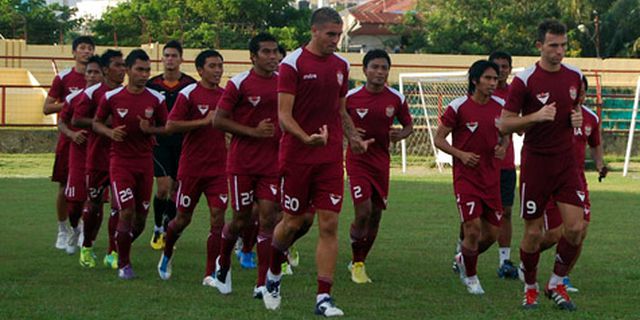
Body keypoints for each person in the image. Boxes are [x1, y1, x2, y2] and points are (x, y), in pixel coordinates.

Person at [261, 7, 371, 317]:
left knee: (329, 224)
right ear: (314, 31)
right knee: (293, 222)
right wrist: (305, 137)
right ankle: (272, 274)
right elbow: (284, 116)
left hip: (331, 158)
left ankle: (324, 297)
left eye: (339, 35)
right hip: (297, 156)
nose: (336, 40)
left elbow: (341, 110)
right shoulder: (292, 64)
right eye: (331, 35)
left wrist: (353, 138)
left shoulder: (340, 65)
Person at [499, 19, 586, 311]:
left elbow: (577, 107)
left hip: (566, 163)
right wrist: (534, 117)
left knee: (575, 228)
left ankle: (556, 281)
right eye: (553, 46)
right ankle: (530, 287)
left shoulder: (575, 75)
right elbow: (504, 123)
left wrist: (576, 118)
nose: (559, 51)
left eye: (563, 46)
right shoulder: (525, 80)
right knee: (534, 233)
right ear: (539, 46)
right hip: (536, 163)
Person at [211, 33, 281, 297]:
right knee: (240, 219)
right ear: (253, 56)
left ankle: (261, 283)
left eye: (275, 51)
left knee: (268, 219)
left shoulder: (284, 82)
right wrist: (252, 131)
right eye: (266, 52)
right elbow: (218, 120)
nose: (272, 56)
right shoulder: (239, 83)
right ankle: (224, 262)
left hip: (272, 164)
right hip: (242, 164)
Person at [527, 76, 607, 293]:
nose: (578, 95)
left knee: (579, 230)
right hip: (551, 178)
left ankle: (562, 278)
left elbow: (595, 144)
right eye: (575, 91)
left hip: (576, 180)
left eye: (582, 92)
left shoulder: (590, 118)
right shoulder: (554, 113)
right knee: (553, 234)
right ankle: (527, 258)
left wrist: (600, 164)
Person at [435, 60, 508, 295]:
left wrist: (503, 146)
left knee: (492, 235)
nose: (492, 83)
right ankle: (472, 277)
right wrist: (461, 155)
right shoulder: (458, 107)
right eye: (487, 78)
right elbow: (439, 139)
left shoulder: (501, 106)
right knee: (472, 228)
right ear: (475, 80)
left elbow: (506, 134)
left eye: (495, 79)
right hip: (466, 179)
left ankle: (462, 256)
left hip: (491, 178)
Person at [93, 49, 168, 279]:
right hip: (120, 162)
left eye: (147, 70)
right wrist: (109, 132)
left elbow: (167, 128)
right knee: (125, 210)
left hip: (145, 163)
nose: (144, 74)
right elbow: (96, 123)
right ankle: (124, 264)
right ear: (128, 70)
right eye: (139, 69)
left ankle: (118, 246)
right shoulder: (112, 97)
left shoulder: (156, 99)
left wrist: (150, 130)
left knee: (140, 220)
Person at [156, 50, 228, 287]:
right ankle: (167, 252)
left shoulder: (226, 95)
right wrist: (203, 121)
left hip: (219, 168)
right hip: (192, 168)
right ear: (200, 70)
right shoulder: (188, 94)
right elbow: (171, 125)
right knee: (182, 219)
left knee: (218, 218)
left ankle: (210, 273)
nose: (217, 70)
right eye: (212, 66)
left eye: (220, 66)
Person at [345, 49, 413, 284]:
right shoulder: (350, 97)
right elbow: (336, 121)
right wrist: (350, 133)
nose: (379, 72)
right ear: (364, 70)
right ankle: (357, 262)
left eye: (384, 68)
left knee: (375, 216)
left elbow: (408, 126)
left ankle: (359, 261)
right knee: (362, 212)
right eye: (374, 67)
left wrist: (399, 135)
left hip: (381, 163)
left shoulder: (396, 98)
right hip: (357, 161)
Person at [72, 49, 127, 269]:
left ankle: (112, 252)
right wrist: (102, 122)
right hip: (96, 157)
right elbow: (77, 119)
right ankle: (86, 246)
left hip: (122, 158)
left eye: (124, 65)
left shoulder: (128, 93)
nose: (122, 70)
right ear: (105, 69)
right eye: (117, 65)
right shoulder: (93, 93)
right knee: (93, 205)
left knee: (118, 206)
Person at [44, 36, 95, 251]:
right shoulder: (64, 77)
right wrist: (72, 102)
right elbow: (47, 108)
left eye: (89, 48)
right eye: (82, 48)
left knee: (88, 187)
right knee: (64, 186)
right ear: (74, 53)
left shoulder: (98, 77)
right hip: (69, 140)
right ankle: (62, 229)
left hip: (91, 141)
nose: (86, 51)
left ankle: (82, 228)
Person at [146, 40, 197, 250]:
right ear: (161, 59)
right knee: (163, 187)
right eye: (166, 55)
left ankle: (168, 228)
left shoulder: (190, 85)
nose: (170, 59)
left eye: (174, 55)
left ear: (181, 59)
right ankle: (158, 226)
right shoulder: (152, 85)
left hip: (183, 143)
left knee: (177, 188)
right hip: (159, 142)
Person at [57, 55, 103, 258]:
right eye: (89, 72)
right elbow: (62, 122)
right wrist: (72, 134)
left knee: (96, 200)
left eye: (96, 72)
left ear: (104, 75)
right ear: (85, 75)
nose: (92, 76)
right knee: (75, 202)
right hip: (78, 155)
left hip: (100, 155)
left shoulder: (109, 98)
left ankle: (88, 239)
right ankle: (75, 229)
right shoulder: (73, 98)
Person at [489, 51, 519, 279]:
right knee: (476, 216)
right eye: (496, 66)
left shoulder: (514, 94)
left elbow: (519, 126)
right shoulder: (481, 94)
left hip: (506, 164)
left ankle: (505, 261)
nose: (501, 70)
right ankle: (461, 251)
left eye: (505, 66)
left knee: (506, 212)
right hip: (482, 164)